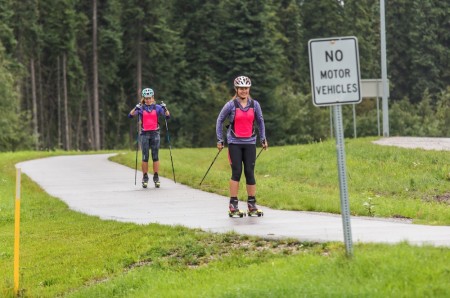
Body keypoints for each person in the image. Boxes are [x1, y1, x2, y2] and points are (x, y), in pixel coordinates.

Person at [216, 76, 268, 216]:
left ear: (249, 89)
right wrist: (220, 140)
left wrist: (263, 138)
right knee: (236, 172)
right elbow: (220, 120)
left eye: (246, 88)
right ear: (236, 89)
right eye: (241, 88)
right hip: (234, 143)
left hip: (250, 143)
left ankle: (252, 205)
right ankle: (233, 205)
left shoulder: (255, 104)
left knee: (250, 173)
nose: (244, 91)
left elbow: (260, 121)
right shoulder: (231, 105)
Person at [129, 87, 170, 188]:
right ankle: (145, 177)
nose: (148, 100)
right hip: (144, 134)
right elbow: (130, 115)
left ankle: (156, 177)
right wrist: (136, 107)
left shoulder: (157, 107)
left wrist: (165, 108)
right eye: (146, 98)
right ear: (143, 98)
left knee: (155, 156)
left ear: (153, 97)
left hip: (155, 133)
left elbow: (167, 116)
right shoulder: (141, 108)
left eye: (149, 98)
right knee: (145, 156)